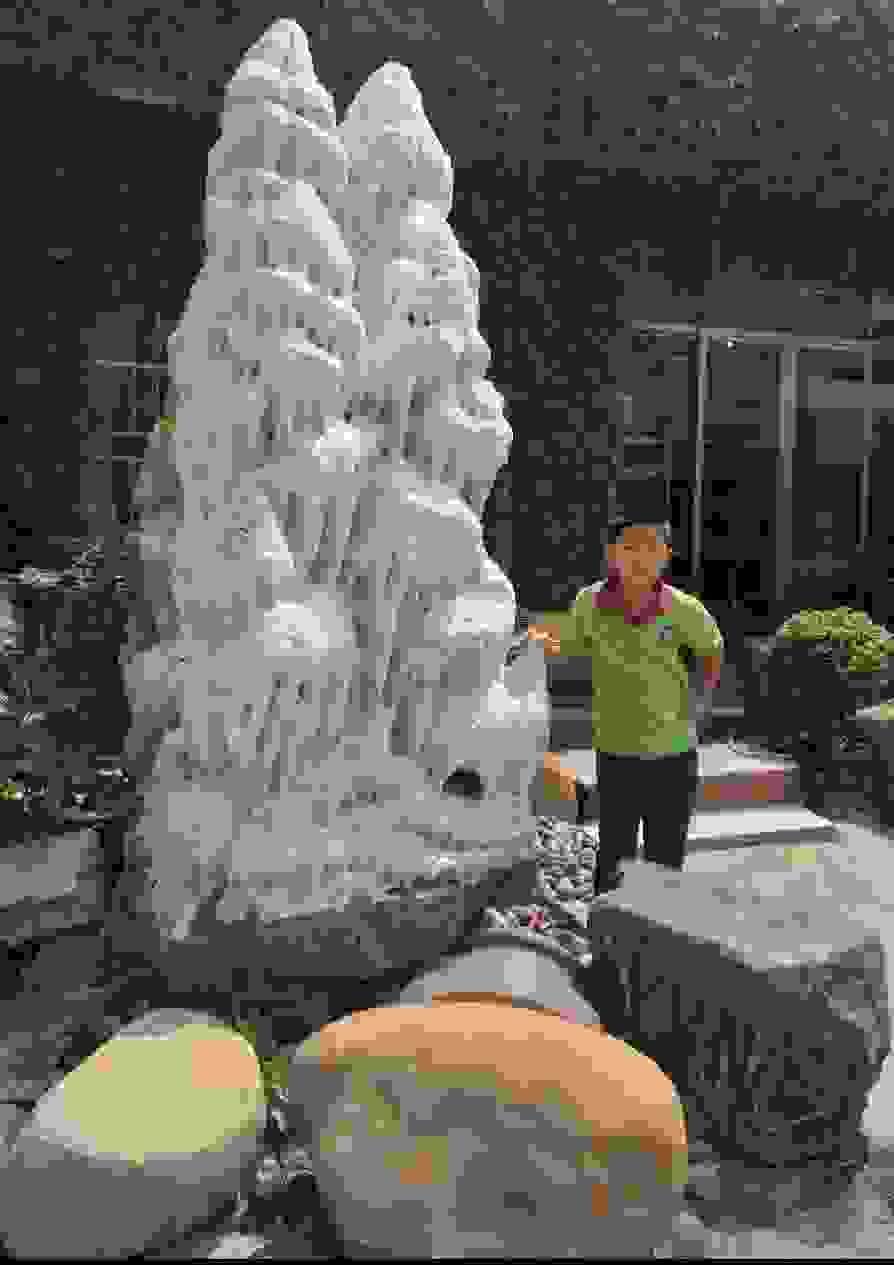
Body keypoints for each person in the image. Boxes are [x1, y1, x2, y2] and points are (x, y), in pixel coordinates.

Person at [528, 514, 723, 896]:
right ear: (612, 554)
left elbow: (712, 650)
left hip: (674, 754)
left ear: (665, 556)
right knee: (615, 852)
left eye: (652, 547)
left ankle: (658, 927)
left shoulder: (683, 609)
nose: (641, 556)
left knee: (665, 858)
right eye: (631, 546)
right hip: (616, 751)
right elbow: (568, 645)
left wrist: (700, 705)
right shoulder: (590, 604)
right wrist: (533, 641)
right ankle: (609, 929)